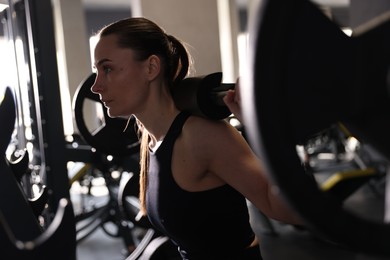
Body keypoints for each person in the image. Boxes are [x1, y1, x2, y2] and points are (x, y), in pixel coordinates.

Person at [91, 17, 302, 260]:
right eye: (97, 70)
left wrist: (265, 132)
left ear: (151, 68)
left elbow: (287, 210)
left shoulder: (201, 136)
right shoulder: (151, 139)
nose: (96, 86)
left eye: (107, 69)